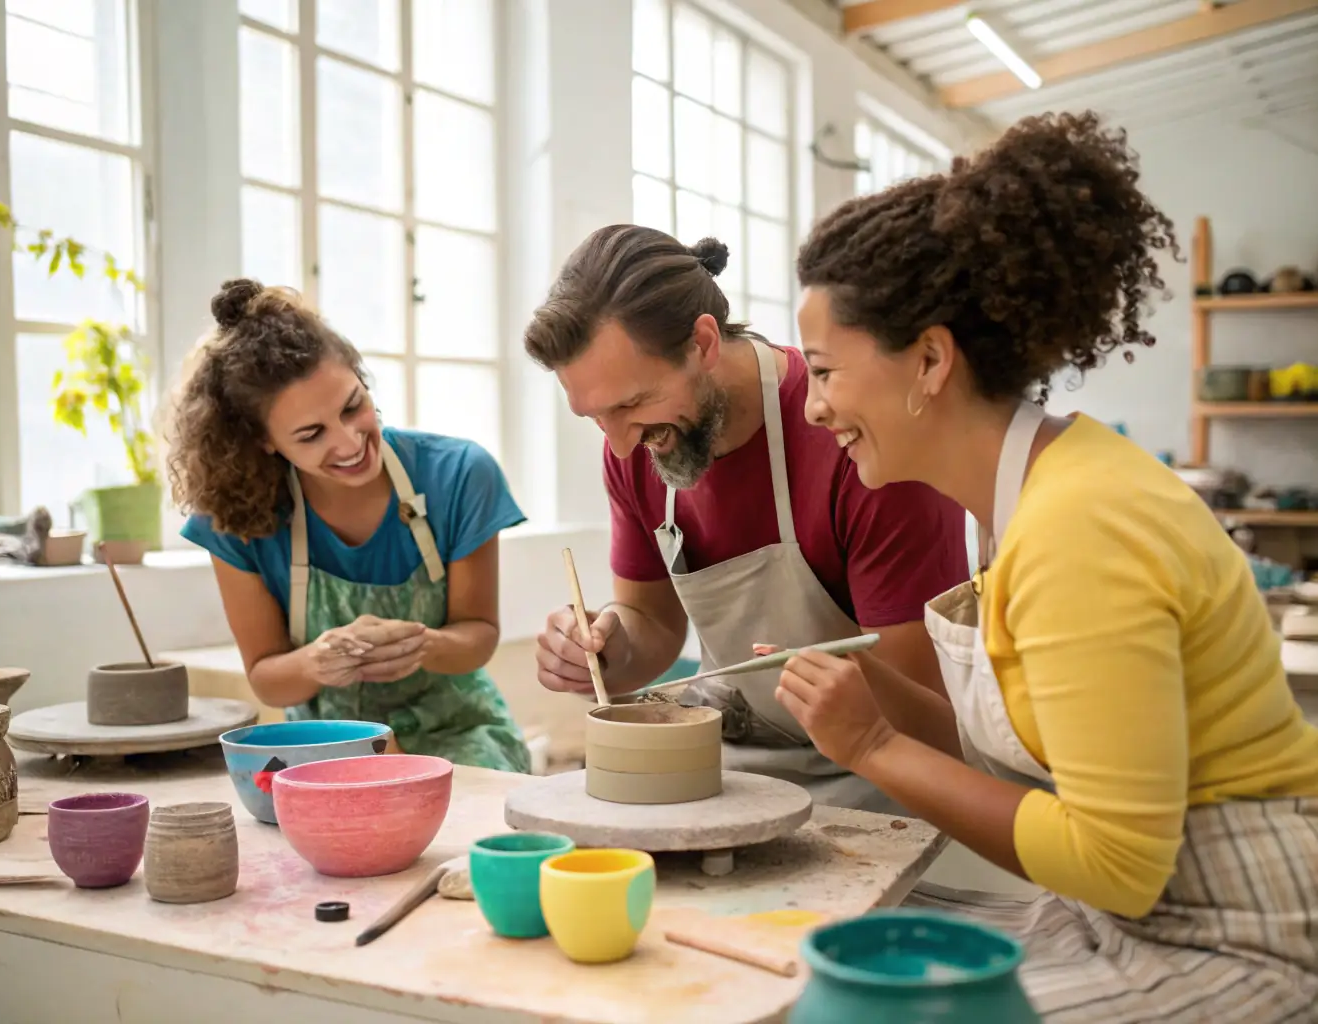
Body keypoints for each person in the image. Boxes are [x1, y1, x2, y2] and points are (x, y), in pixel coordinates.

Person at [771, 111, 1318, 1022]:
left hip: (1233, 926)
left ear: (930, 360)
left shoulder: (1079, 526)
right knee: (798, 969)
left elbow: (1116, 861)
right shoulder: (1025, 495)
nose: (816, 407)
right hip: (1125, 913)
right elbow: (1014, 738)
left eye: (824, 372)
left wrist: (872, 749)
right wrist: (857, 680)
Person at [523, 225, 969, 810]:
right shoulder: (633, 448)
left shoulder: (854, 442)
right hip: (731, 772)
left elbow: (929, 719)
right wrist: (608, 648)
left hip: (877, 781)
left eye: (632, 403)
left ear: (703, 344)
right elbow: (651, 623)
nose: (622, 445)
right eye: (594, 417)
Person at [166, 278, 531, 774]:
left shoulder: (460, 474)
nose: (349, 443)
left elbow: (479, 636)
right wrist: (316, 661)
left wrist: (424, 644)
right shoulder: (235, 518)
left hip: (460, 735)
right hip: (324, 750)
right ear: (264, 442)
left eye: (352, 405)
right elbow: (269, 680)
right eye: (311, 434)